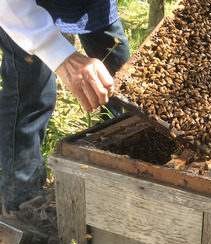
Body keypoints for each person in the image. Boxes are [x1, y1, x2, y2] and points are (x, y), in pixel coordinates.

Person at [0, 0, 130, 217]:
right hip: (24, 7)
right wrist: (59, 54)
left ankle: (129, 180)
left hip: (92, 5)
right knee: (31, 96)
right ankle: (22, 208)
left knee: (126, 87)